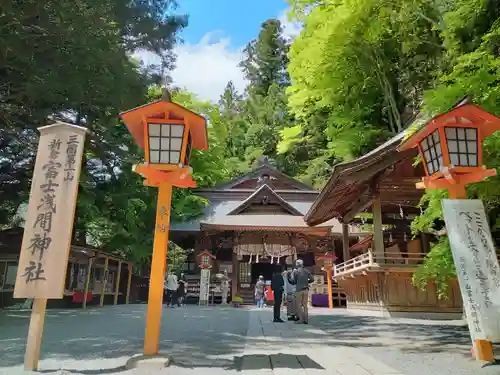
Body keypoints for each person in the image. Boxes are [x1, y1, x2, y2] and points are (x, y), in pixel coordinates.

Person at [290, 259, 314, 324]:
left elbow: (294, 281)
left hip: (299, 290)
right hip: (306, 289)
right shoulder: (306, 271)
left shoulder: (296, 272)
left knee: (299, 305)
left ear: (297, 265)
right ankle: (306, 320)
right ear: (302, 264)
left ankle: (301, 320)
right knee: (305, 305)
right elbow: (312, 279)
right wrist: (307, 282)